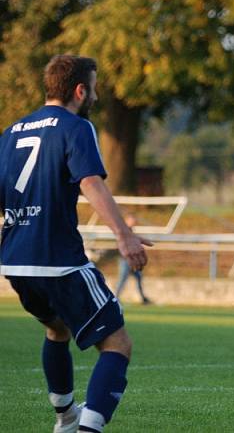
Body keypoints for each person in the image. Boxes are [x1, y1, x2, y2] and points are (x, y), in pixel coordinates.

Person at [0, 55, 151, 433]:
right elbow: (90, 183)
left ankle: (66, 418)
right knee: (117, 343)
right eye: (95, 88)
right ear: (80, 90)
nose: (96, 96)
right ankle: (88, 429)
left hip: (16, 260)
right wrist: (125, 235)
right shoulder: (77, 127)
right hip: (58, 260)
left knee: (57, 330)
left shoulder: (11, 132)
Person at [114, 214, 151, 305]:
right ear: (127, 221)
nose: (134, 222)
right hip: (125, 261)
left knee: (139, 278)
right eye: (132, 220)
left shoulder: (130, 231)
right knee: (122, 280)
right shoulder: (123, 231)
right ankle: (115, 298)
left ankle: (143, 298)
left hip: (132, 260)